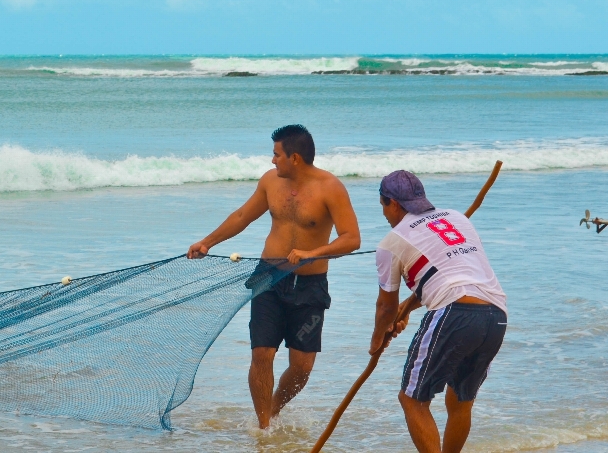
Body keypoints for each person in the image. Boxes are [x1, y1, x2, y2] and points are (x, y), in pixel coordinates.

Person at [187, 125, 360, 429]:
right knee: (262, 352)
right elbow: (242, 216)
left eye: (276, 154)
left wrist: (313, 253)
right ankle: (264, 426)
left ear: (294, 157)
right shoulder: (270, 182)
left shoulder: (330, 188)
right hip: (269, 278)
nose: (272, 161)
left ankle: (275, 408)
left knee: (302, 366)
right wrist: (207, 242)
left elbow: (351, 239)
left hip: (309, 285)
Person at [369, 170, 507, 453]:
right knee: (460, 400)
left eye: (383, 204)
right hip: (496, 315)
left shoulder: (390, 243)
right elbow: (449, 274)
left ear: (392, 203)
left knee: (412, 400)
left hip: (455, 312)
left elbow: (385, 306)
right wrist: (407, 308)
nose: (384, 213)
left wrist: (376, 340)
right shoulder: (457, 218)